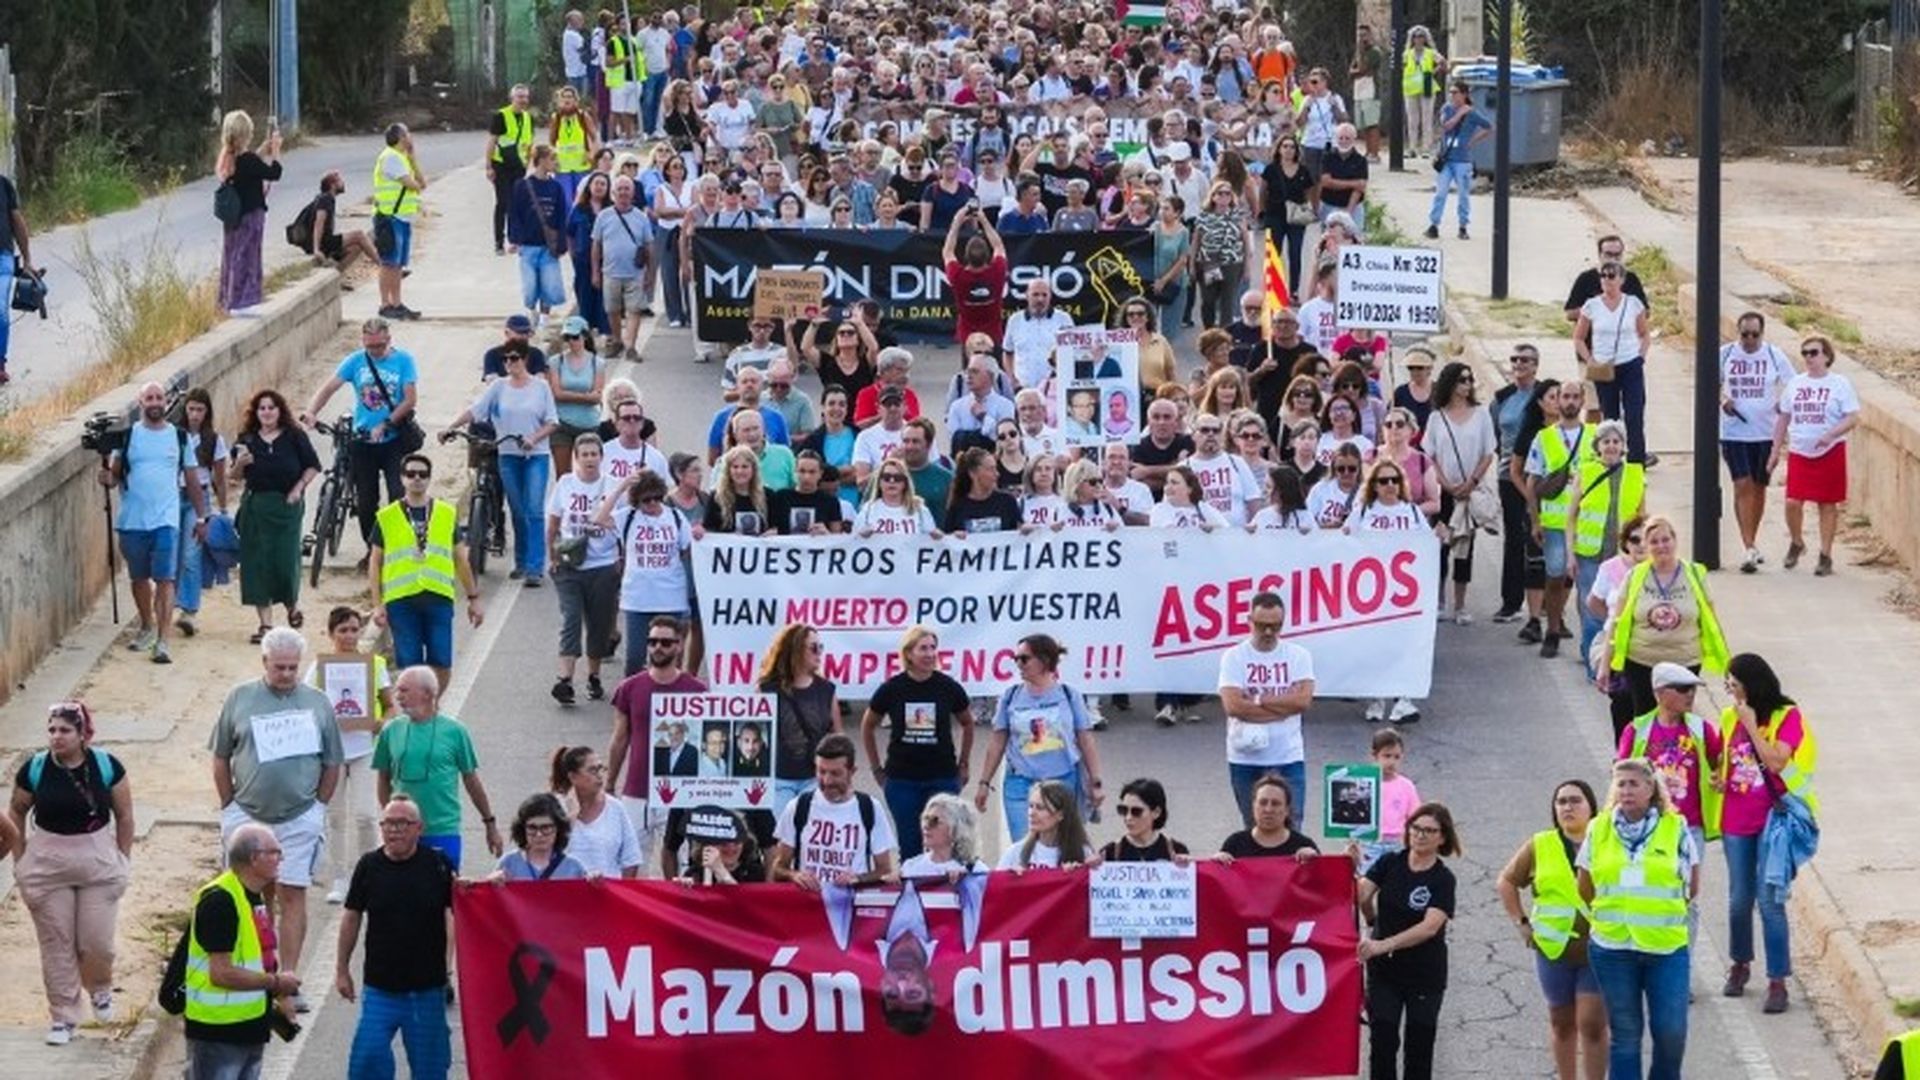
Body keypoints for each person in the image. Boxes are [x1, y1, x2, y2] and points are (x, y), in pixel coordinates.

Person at [210, 628, 343, 1010]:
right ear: (264, 663)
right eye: (279, 667)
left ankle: (289, 978)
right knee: (250, 896)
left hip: (299, 817)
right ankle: (255, 974)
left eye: (292, 668)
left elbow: (332, 761)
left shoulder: (317, 703)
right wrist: (228, 805)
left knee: (292, 893)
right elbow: (220, 755)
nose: (286, 674)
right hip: (247, 816)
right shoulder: (239, 698)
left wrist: (318, 807)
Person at [8, 702, 132, 1045]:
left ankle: (100, 988)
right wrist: (20, 860)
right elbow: (16, 811)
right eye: (51, 730)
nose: (56, 737)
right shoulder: (34, 768)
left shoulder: (107, 766)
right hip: (47, 862)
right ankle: (63, 1017)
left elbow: (125, 815)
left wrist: (123, 858)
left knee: (95, 941)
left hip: (96, 858)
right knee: (56, 942)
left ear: (82, 735)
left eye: (64, 730)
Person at [1579, 758, 1700, 1080]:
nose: (1627, 790)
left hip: (1666, 950)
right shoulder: (1598, 828)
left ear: (1651, 789)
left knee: (1671, 1032)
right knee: (1626, 1034)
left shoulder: (1676, 828)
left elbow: (1692, 886)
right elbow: (1585, 885)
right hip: (1612, 948)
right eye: (1621, 784)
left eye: (1634, 784)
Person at [1718, 653, 1819, 1015]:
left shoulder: (1786, 716)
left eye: (1734, 683)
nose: (1730, 691)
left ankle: (1777, 980)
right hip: (1735, 818)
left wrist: (1751, 725)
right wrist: (1719, 778)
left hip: (1773, 821)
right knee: (1738, 898)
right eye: (1727, 685)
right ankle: (1740, 963)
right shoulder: (1729, 716)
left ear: (1751, 683)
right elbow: (1727, 761)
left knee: (1770, 900)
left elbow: (1776, 761)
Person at [335, 795, 455, 1079]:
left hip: (427, 989)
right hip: (380, 989)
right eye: (388, 823)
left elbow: (457, 913)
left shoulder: (438, 865)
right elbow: (351, 917)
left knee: (430, 1071)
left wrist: (449, 967)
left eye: (403, 823)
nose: (394, 830)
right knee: (367, 1062)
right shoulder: (368, 866)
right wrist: (341, 970)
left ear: (419, 828)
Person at [1499, 780, 1607, 1080]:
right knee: (1561, 1022)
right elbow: (1506, 882)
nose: (1568, 807)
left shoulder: (1606, 841)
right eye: (1561, 802)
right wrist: (1520, 923)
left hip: (1598, 949)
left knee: (1592, 1023)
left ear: (1591, 808)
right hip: (1553, 949)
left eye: (1575, 801)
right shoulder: (1540, 844)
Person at [97, 381, 211, 664]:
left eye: (159, 397)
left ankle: (162, 640)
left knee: (165, 579)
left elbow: (192, 480)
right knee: (138, 578)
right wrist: (107, 478)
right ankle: (146, 625)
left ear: (166, 401)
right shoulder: (128, 437)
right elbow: (114, 475)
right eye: (150, 398)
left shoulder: (179, 437)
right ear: (141, 402)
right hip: (133, 520)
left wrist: (201, 516)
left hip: (166, 520)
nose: (155, 402)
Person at [183, 824, 296, 1079]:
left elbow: (261, 955)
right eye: (275, 852)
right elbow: (221, 973)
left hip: (250, 1026)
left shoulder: (252, 896)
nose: (281, 858)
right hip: (218, 1032)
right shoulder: (220, 902)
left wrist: (280, 995)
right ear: (254, 858)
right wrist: (276, 982)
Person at [1359, 802, 1460, 1080]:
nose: (1420, 835)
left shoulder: (1442, 879)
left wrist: (1383, 944)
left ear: (1442, 837)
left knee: (1419, 1049)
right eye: (1416, 828)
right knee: (1382, 1044)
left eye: (1430, 831)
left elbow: (1429, 928)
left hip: (1424, 976)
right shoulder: (1390, 862)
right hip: (1384, 974)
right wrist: (1369, 915)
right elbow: (1362, 894)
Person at [303, 316, 420, 553]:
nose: (375, 351)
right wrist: (311, 412)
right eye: (370, 346)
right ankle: (373, 549)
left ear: (389, 339)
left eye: (379, 346)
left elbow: (409, 400)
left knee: (397, 494)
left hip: (392, 439)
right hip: (363, 440)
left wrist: (386, 424)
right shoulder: (355, 361)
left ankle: (397, 545)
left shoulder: (403, 361)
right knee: (366, 501)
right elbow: (328, 388)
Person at [444, 346, 560, 584]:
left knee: (534, 510)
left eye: (514, 358)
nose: (509, 362)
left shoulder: (541, 387)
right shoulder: (498, 387)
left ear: (525, 360)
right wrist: (451, 426)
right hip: (508, 454)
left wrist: (534, 438)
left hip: (535, 455)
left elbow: (552, 422)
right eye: (505, 359)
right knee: (517, 509)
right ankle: (521, 561)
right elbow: (476, 410)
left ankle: (535, 567)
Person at [373, 665, 504, 873]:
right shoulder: (391, 730)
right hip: (402, 832)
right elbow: (383, 778)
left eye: (404, 690)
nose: (398, 696)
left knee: (444, 895)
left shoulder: (455, 731)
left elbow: (471, 780)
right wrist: (390, 819)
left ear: (427, 694)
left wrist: (490, 824)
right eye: (397, 690)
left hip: (443, 830)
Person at [369, 453, 483, 689]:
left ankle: (431, 706)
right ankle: (416, 709)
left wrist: (473, 599)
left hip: (438, 596)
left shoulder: (445, 513)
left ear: (430, 479)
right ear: (402, 478)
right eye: (411, 474)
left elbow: (461, 559)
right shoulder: (386, 516)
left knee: (441, 661)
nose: (417, 479)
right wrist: (377, 604)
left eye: (422, 474)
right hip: (401, 600)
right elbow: (375, 562)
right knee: (409, 664)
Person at [974, 633, 1104, 837]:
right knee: (1025, 847)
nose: (1018, 664)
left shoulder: (1069, 696)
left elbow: (1085, 740)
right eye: (1016, 659)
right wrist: (984, 783)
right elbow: (997, 742)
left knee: (1060, 847)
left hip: (1062, 781)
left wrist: (1096, 782)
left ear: (1044, 661)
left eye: (1024, 658)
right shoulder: (1010, 697)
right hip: (1020, 783)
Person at [1599, 515, 1730, 717]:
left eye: (1665, 540)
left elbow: (1712, 621)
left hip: (1685, 662)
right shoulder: (1635, 576)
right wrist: (1604, 666)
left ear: (1675, 540)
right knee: (1646, 721)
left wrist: (1728, 664)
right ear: (1647, 546)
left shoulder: (1695, 574)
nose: (1661, 546)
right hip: (1641, 663)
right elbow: (1616, 624)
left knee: (1678, 720)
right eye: (1654, 541)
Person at [863, 626, 972, 860]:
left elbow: (968, 723)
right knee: (910, 846)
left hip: (942, 777)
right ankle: (912, 894)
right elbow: (867, 726)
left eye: (933, 648)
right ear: (909, 653)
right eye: (923, 648)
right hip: (902, 782)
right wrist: (876, 768)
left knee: (946, 846)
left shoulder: (948, 687)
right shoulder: (891, 689)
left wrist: (963, 764)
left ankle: (946, 893)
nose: (930, 653)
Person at [307, 607, 391, 907]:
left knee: (368, 815)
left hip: (365, 747)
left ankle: (369, 875)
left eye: (355, 629)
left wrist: (383, 722)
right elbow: (307, 707)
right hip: (332, 753)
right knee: (336, 816)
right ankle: (340, 878)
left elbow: (389, 704)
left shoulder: (374, 664)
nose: (349, 636)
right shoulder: (318, 669)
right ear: (331, 634)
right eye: (343, 630)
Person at [607, 616, 705, 865]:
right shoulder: (629, 688)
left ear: (680, 645)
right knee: (629, 865)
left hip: (681, 792)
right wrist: (609, 784)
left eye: (665, 642)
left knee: (682, 865)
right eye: (652, 642)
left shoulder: (698, 691)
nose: (657, 647)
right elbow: (620, 739)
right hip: (637, 791)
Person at [1218, 592, 1316, 828]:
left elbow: (1302, 702)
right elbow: (1233, 706)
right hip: (1245, 758)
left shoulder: (1298, 656)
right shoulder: (1234, 657)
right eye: (1262, 626)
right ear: (1249, 620)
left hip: (1287, 757)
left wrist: (1258, 699)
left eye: (1276, 626)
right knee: (1253, 827)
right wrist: (1283, 708)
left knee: (1292, 825)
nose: (1269, 632)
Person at [232, 390, 320, 641]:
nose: (267, 412)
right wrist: (240, 463)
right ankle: (266, 625)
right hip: (257, 506)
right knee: (257, 563)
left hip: (286, 507)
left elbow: (312, 465)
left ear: (280, 411)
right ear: (256, 413)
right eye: (262, 408)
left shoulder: (294, 436)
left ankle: (291, 605)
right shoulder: (246, 439)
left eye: (271, 407)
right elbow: (234, 477)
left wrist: (297, 489)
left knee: (285, 560)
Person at [1772, 335, 1859, 577]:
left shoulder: (1839, 384)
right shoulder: (1796, 384)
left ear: (1827, 356)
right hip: (1800, 450)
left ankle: (1826, 554)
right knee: (1792, 502)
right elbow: (1784, 417)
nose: (1809, 358)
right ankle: (1797, 541)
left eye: (1814, 353)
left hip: (1829, 451)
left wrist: (1831, 435)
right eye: (1805, 353)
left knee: (1827, 504)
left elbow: (1852, 417)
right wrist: (1775, 450)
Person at [771, 734, 899, 888]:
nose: (827, 781)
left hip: (851, 904)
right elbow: (778, 869)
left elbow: (884, 870)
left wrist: (858, 878)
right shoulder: (798, 806)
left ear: (852, 771)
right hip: (809, 904)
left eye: (835, 773)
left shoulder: (870, 808)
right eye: (821, 772)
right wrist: (795, 875)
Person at [547, 433, 620, 704]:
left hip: (602, 565)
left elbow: (623, 525)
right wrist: (552, 556)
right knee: (571, 619)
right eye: (584, 454)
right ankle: (565, 679)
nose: (590, 459)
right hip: (570, 565)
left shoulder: (613, 486)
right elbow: (553, 524)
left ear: (601, 457)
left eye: (594, 454)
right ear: (576, 458)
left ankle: (594, 675)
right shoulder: (566, 484)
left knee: (598, 623)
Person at [1720, 313, 1795, 573]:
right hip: (1734, 431)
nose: (1749, 340)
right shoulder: (1726, 354)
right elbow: (1710, 381)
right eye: (1744, 334)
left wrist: (1781, 402)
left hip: (1765, 431)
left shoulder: (1774, 355)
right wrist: (1723, 400)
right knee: (1743, 484)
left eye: (1755, 334)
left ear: (1762, 334)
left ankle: (1753, 538)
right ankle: (1748, 546)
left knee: (1759, 487)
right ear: (1737, 333)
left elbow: (1792, 384)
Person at [1525, 381, 1594, 657]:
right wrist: (1535, 520)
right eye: (1565, 396)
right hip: (1555, 521)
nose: (1569, 402)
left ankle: (1590, 640)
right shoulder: (1544, 438)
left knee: (1587, 584)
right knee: (1554, 577)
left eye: (1575, 397)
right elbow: (1532, 481)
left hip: (1587, 521)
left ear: (1582, 401)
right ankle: (1552, 630)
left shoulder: (1594, 435)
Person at [1424, 361, 1496, 623]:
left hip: (1470, 490)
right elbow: (1430, 454)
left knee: (1465, 548)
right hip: (1444, 491)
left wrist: (1472, 481)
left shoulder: (1481, 414)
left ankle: (1461, 605)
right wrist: (1444, 482)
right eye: (1462, 380)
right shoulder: (1436, 417)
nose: (1467, 385)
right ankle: (1440, 601)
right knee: (1441, 546)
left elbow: (1489, 452)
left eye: (1469, 380)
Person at [1569, 423, 1645, 668]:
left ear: (1623, 446)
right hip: (1589, 553)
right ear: (1597, 446)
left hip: (1622, 557)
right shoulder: (1586, 471)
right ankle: (1595, 661)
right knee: (1591, 608)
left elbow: (1644, 519)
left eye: (1616, 442)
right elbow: (1571, 517)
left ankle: (1610, 654)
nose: (1611, 446)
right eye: (1606, 442)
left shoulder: (1635, 474)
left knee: (1618, 607)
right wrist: (1570, 553)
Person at [1574, 260, 1652, 465]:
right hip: (1604, 367)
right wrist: (1590, 359)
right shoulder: (1592, 306)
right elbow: (1579, 337)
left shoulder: (1633, 303)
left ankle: (1636, 461)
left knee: (1634, 415)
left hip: (1629, 363)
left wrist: (1641, 356)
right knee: (1610, 417)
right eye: (1603, 276)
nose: (1607, 280)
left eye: (1612, 275)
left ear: (1621, 280)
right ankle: (1611, 460)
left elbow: (1644, 333)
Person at [171, 387, 229, 637]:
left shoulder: (213, 440)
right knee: (171, 552)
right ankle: (169, 603)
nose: (195, 414)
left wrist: (222, 507)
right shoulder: (174, 435)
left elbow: (219, 477)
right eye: (191, 409)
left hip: (199, 497)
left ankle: (190, 610)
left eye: (200, 410)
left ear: (207, 412)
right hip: (173, 496)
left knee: (191, 554)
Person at [215, 111, 283, 313]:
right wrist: (276, 151)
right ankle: (245, 300)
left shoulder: (227, 158)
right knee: (249, 257)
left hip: (233, 218)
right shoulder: (249, 161)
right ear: (247, 133)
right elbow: (274, 173)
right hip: (252, 215)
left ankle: (227, 299)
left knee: (232, 255)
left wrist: (262, 150)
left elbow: (247, 167)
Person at [372, 124, 427, 320]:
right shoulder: (391, 157)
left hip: (401, 217)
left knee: (397, 265)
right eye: (408, 133)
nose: (411, 137)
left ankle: (397, 303)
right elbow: (415, 185)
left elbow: (422, 184)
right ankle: (386, 304)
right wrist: (413, 165)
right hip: (389, 217)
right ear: (401, 137)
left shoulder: (402, 158)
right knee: (389, 263)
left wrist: (412, 159)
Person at [1426, 82, 1493, 241]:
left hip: (1463, 160)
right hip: (1446, 158)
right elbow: (1446, 126)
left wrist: (1472, 141)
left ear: (1464, 94)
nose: (1452, 95)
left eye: (1455, 92)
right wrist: (1459, 114)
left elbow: (1489, 127)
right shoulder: (1447, 109)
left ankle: (1463, 226)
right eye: (1450, 92)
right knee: (1440, 193)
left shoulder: (1473, 113)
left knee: (1463, 195)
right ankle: (1434, 224)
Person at [942, 207, 1009, 348]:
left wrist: (957, 222)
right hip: (994, 336)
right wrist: (983, 220)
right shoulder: (997, 270)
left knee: (971, 369)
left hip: (968, 338)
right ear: (987, 255)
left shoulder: (958, 275)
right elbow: (998, 246)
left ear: (966, 256)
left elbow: (947, 251)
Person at [1102, 778, 1212, 863]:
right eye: (1123, 810)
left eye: (1136, 811)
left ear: (1156, 813)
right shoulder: (1109, 853)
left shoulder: (1176, 850)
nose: (1128, 817)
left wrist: (1214, 861)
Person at [998, 779, 1095, 870]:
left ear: (1060, 815)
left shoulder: (1083, 853)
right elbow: (995, 884)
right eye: (1031, 806)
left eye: (1040, 808)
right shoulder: (1015, 853)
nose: (1031, 813)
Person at [295, 171, 380, 275]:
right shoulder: (325, 199)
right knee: (359, 235)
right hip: (324, 243)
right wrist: (316, 249)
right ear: (332, 185)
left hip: (325, 241)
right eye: (340, 181)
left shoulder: (326, 198)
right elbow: (318, 224)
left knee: (356, 247)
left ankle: (337, 275)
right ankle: (384, 267)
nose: (343, 184)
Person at [1219, 774, 1321, 860]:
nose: (1268, 809)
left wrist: (1315, 862)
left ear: (1287, 810)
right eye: (1263, 803)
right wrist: (1217, 864)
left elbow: (1324, 881)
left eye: (1275, 803)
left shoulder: (1303, 845)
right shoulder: (1235, 844)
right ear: (1253, 806)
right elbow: (1219, 881)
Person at [492, 792, 589, 881]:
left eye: (546, 827)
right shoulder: (509, 863)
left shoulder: (573, 868)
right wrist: (491, 881)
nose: (539, 834)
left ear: (558, 829)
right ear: (522, 829)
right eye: (532, 828)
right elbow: (486, 895)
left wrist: (597, 884)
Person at [487, 84, 536, 255]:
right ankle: (499, 241)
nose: (523, 100)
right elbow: (492, 141)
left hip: (519, 166)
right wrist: (488, 167)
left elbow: (529, 143)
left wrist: (529, 164)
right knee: (503, 202)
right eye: (519, 97)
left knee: (516, 203)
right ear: (512, 98)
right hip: (501, 165)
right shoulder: (501, 116)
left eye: (525, 97)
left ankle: (514, 239)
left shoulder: (529, 118)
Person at [0, 164, 37, 383]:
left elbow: (17, 222)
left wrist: (27, 261)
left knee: (0, 314)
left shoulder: (3, 185)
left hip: (2, 258)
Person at [1001, 279, 1074, 391]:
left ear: (1050, 296)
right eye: (1035, 294)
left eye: (1044, 295)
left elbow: (1072, 353)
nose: (1040, 299)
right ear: (1026, 295)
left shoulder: (1064, 319)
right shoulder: (1015, 320)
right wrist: (1012, 379)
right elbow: (1007, 352)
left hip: (1054, 389)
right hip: (1023, 389)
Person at [898, 794, 985, 879]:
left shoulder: (975, 870)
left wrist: (964, 884)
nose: (926, 826)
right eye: (925, 819)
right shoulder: (910, 868)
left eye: (934, 821)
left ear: (956, 829)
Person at [1401, 25, 1446, 155]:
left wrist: (1433, 72)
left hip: (1426, 83)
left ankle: (1426, 147)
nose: (1418, 39)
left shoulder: (1430, 53)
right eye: (1416, 37)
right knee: (1412, 119)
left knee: (1427, 117)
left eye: (1421, 37)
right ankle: (1412, 147)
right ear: (1412, 39)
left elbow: (1442, 62)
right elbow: (1402, 66)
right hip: (1410, 86)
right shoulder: (1407, 54)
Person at [1318, 124, 1370, 232]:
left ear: (1354, 140)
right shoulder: (1327, 157)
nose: (1344, 141)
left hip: (1353, 207)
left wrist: (1348, 213)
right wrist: (1353, 183)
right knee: (1329, 241)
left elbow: (1360, 188)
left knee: (1354, 240)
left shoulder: (1361, 161)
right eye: (1341, 138)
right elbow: (1326, 182)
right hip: (1330, 204)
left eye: (1347, 138)